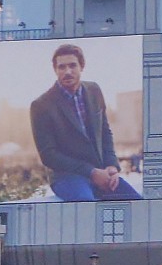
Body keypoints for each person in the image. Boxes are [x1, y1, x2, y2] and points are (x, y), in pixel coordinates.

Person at [27, 43, 142, 202]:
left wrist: (111, 166)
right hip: (67, 177)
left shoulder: (94, 90)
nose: (67, 72)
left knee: (137, 205)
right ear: (55, 70)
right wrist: (91, 172)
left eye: (72, 65)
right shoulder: (41, 105)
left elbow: (104, 131)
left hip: (102, 172)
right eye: (62, 67)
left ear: (82, 66)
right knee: (86, 207)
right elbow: (48, 155)